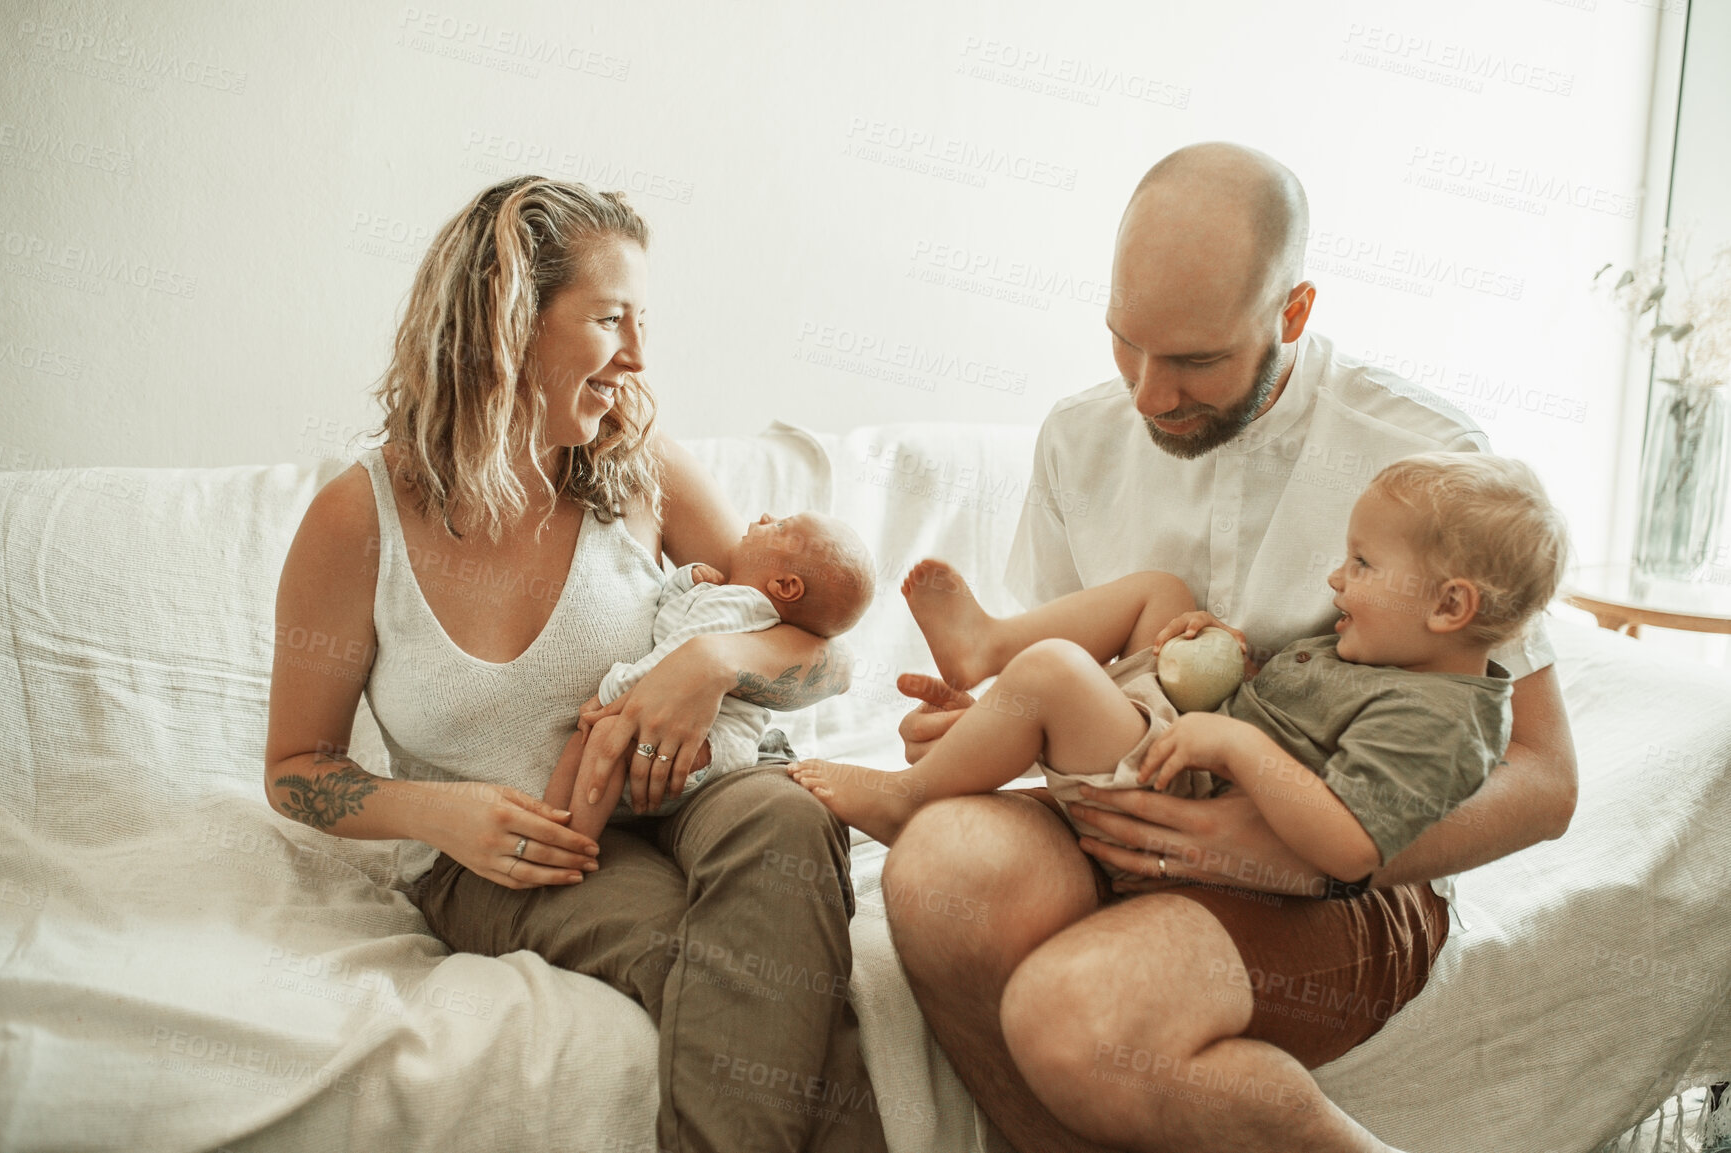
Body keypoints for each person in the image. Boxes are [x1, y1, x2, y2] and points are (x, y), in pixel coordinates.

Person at [880, 142, 1579, 1153]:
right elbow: (1084, 692)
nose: (1149, 397)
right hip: (1122, 818)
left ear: (1290, 314)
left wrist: (1288, 852)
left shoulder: (1420, 462)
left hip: (1341, 880)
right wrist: (987, 727)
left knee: (1076, 1019)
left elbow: (1542, 777)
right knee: (937, 861)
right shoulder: (1077, 439)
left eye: (1196, 362)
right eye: (1127, 345)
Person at [263, 176, 887, 1153]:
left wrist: (713, 659)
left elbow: (820, 650)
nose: (638, 358)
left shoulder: (639, 462)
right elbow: (296, 770)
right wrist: (438, 811)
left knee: (782, 819)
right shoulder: (357, 520)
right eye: (610, 321)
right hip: (523, 850)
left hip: (702, 791)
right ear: (509, 324)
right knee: (747, 972)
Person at [793, 453, 1568, 901]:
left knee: (1058, 674)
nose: (1335, 578)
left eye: (1362, 563)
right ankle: (985, 645)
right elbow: (1301, 709)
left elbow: (1349, 844)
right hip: (1191, 737)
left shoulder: (1439, 724)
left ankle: (906, 802)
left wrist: (1231, 744)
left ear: (1448, 605)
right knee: (1161, 592)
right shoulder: (1393, 653)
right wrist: (1229, 654)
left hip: (1187, 790)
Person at [547, 510, 876, 843]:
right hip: (713, 745)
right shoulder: (728, 599)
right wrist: (686, 581)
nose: (765, 516)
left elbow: (670, 664)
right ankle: (551, 828)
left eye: (780, 527)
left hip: (715, 742)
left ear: (786, 586)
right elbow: (664, 622)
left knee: (604, 733)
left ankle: (572, 842)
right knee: (595, 738)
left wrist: (611, 696)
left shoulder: (740, 606)